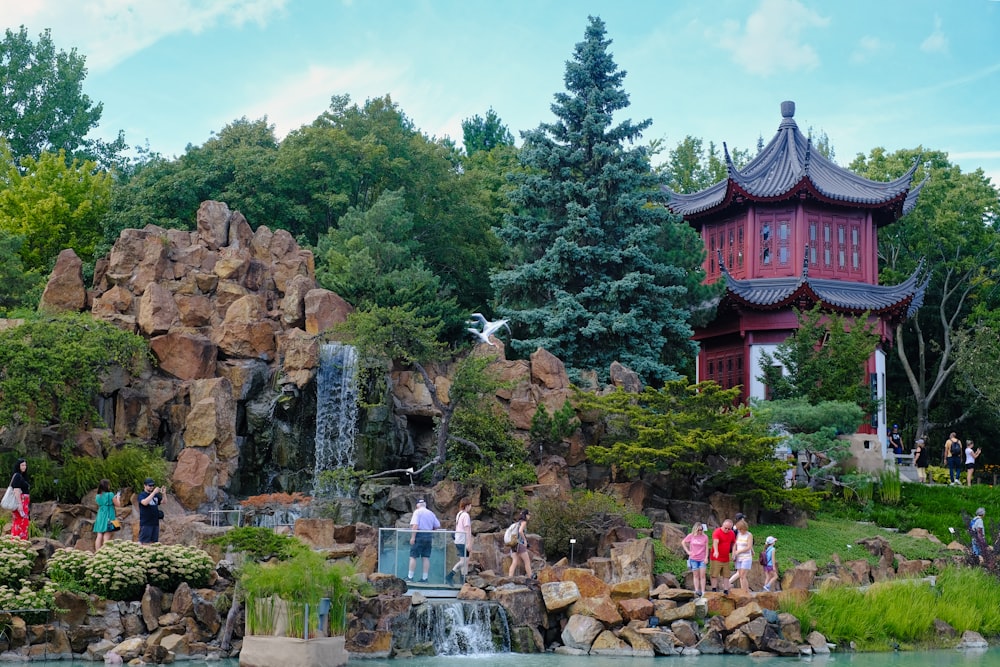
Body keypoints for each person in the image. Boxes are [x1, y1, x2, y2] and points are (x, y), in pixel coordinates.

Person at [407, 498, 440, 582]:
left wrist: (413, 537)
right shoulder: (431, 513)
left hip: (419, 535)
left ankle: (410, 577)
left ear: (417, 505)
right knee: (425, 557)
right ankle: (425, 578)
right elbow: (437, 525)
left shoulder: (417, 512)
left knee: (413, 557)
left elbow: (415, 526)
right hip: (428, 536)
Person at [446, 498, 473, 586]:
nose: (471, 507)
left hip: (458, 539)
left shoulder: (459, 514)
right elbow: (467, 529)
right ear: (467, 506)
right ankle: (450, 576)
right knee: (464, 561)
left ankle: (463, 580)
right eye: (470, 505)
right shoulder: (465, 515)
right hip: (463, 540)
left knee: (464, 560)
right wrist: (469, 543)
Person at [681, 523, 709, 597]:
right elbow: (683, 542)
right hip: (693, 558)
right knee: (695, 575)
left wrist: (706, 557)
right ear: (695, 529)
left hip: (702, 558)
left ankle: (703, 591)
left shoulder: (705, 537)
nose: (700, 531)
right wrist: (688, 552)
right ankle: (697, 590)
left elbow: (706, 548)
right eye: (699, 530)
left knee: (702, 575)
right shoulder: (691, 535)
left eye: (701, 530)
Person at [93, 479, 122, 550]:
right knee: (107, 534)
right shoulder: (110, 494)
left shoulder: (97, 496)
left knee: (99, 534)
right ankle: (105, 551)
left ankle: (97, 552)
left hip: (100, 515)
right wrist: (118, 498)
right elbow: (118, 504)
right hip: (109, 515)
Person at [709, 519, 736, 594]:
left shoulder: (732, 533)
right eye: (725, 528)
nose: (727, 530)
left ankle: (726, 589)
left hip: (726, 557)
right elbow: (715, 542)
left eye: (729, 528)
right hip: (716, 557)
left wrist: (734, 552)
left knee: (726, 574)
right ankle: (714, 588)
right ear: (722, 525)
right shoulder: (717, 532)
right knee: (714, 574)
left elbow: (734, 543)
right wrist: (716, 551)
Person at [138, 478, 165, 545]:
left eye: (153, 485)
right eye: (150, 485)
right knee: (144, 542)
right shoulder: (142, 495)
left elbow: (164, 502)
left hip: (155, 523)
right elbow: (144, 503)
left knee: (154, 542)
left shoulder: (156, 495)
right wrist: (153, 493)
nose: (152, 487)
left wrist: (164, 494)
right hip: (146, 523)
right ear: (145, 485)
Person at [9, 459, 30, 540]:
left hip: (24, 502)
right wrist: (19, 504)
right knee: (20, 522)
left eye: (25, 465)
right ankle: (18, 541)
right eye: (22, 465)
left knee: (22, 522)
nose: (24, 467)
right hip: (21, 502)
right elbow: (16, 490)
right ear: (18, 466)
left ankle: (18, 541)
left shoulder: (21, 476)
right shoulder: (17, 476)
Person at [508, 509, 533, 578]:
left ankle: (510, 577)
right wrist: (525, 541)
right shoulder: (524, 522)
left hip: (513, 544)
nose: (529, 516)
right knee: (527, 562)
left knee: (515, 561)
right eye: (529, 515)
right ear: (526, 515)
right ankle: (530, 577)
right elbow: (520, 531)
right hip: (520, 544)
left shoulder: (518, 523)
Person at [733, 519, 754, 591]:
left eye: (742, 529)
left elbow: (749, 547)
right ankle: (743, 590)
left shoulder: (749, 535)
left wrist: (739, 551)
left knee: (742, 575)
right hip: (739, 558)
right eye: (739, 529)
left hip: (746, 557)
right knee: (740, 575)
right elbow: (735, 544)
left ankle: (746, 591)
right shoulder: (738, 534)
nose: (741, 531)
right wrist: (734, 553)